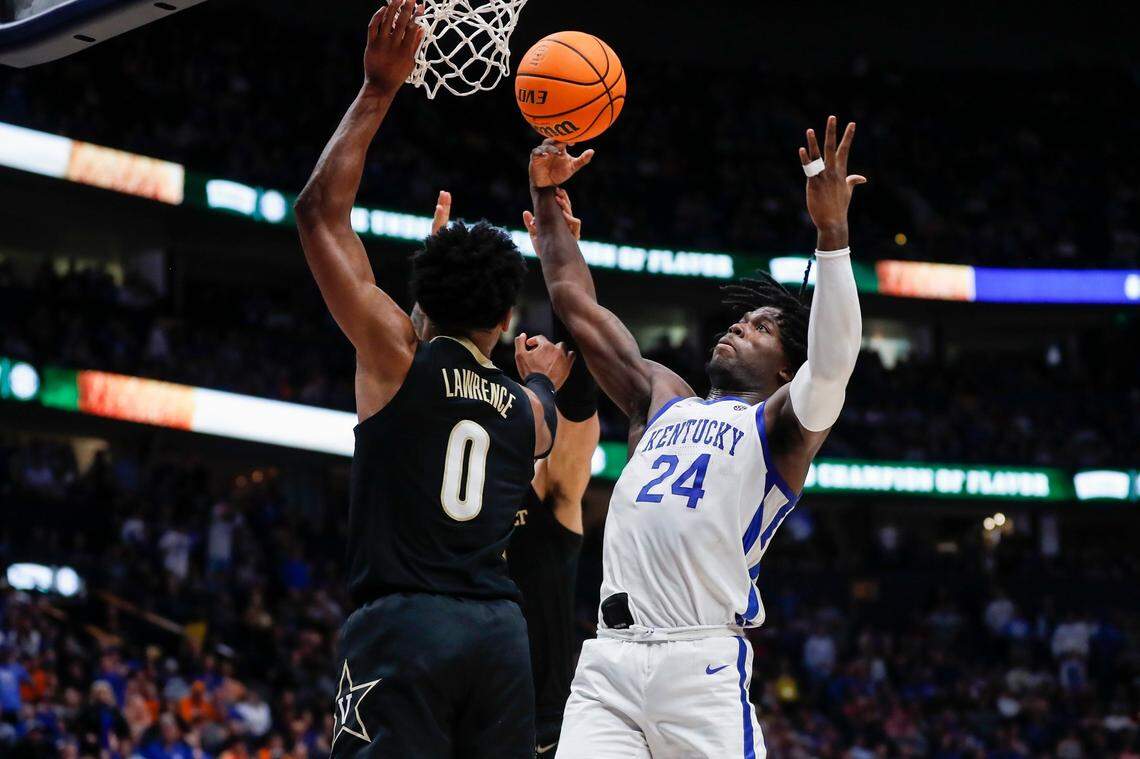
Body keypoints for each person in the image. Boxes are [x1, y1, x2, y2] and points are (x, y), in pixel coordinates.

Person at [527, 115, 865, 757]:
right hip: (608, 661)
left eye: (761, 328)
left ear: (786, 370)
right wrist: (546, 196)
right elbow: (577, 306)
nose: (738, 327)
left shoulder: (782, 425)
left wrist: (832, 236)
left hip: (699, 662)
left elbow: (834, 361)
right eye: (740, 320)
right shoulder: (661, 398)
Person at [293, 2, 573, 756]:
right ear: (506, 318)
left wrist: (377, 90)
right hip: (500, 638)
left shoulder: (396, 357)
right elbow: (544, 412)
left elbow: (319, 215)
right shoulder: (526, 411)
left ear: (421, 295)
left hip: (405, 626)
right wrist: (543, 377)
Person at [431, 189, 602, 755]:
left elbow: (579, 401)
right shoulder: (441, 471)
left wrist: (565, 265)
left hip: (538, 725)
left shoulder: (549, 487)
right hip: (453, 711)